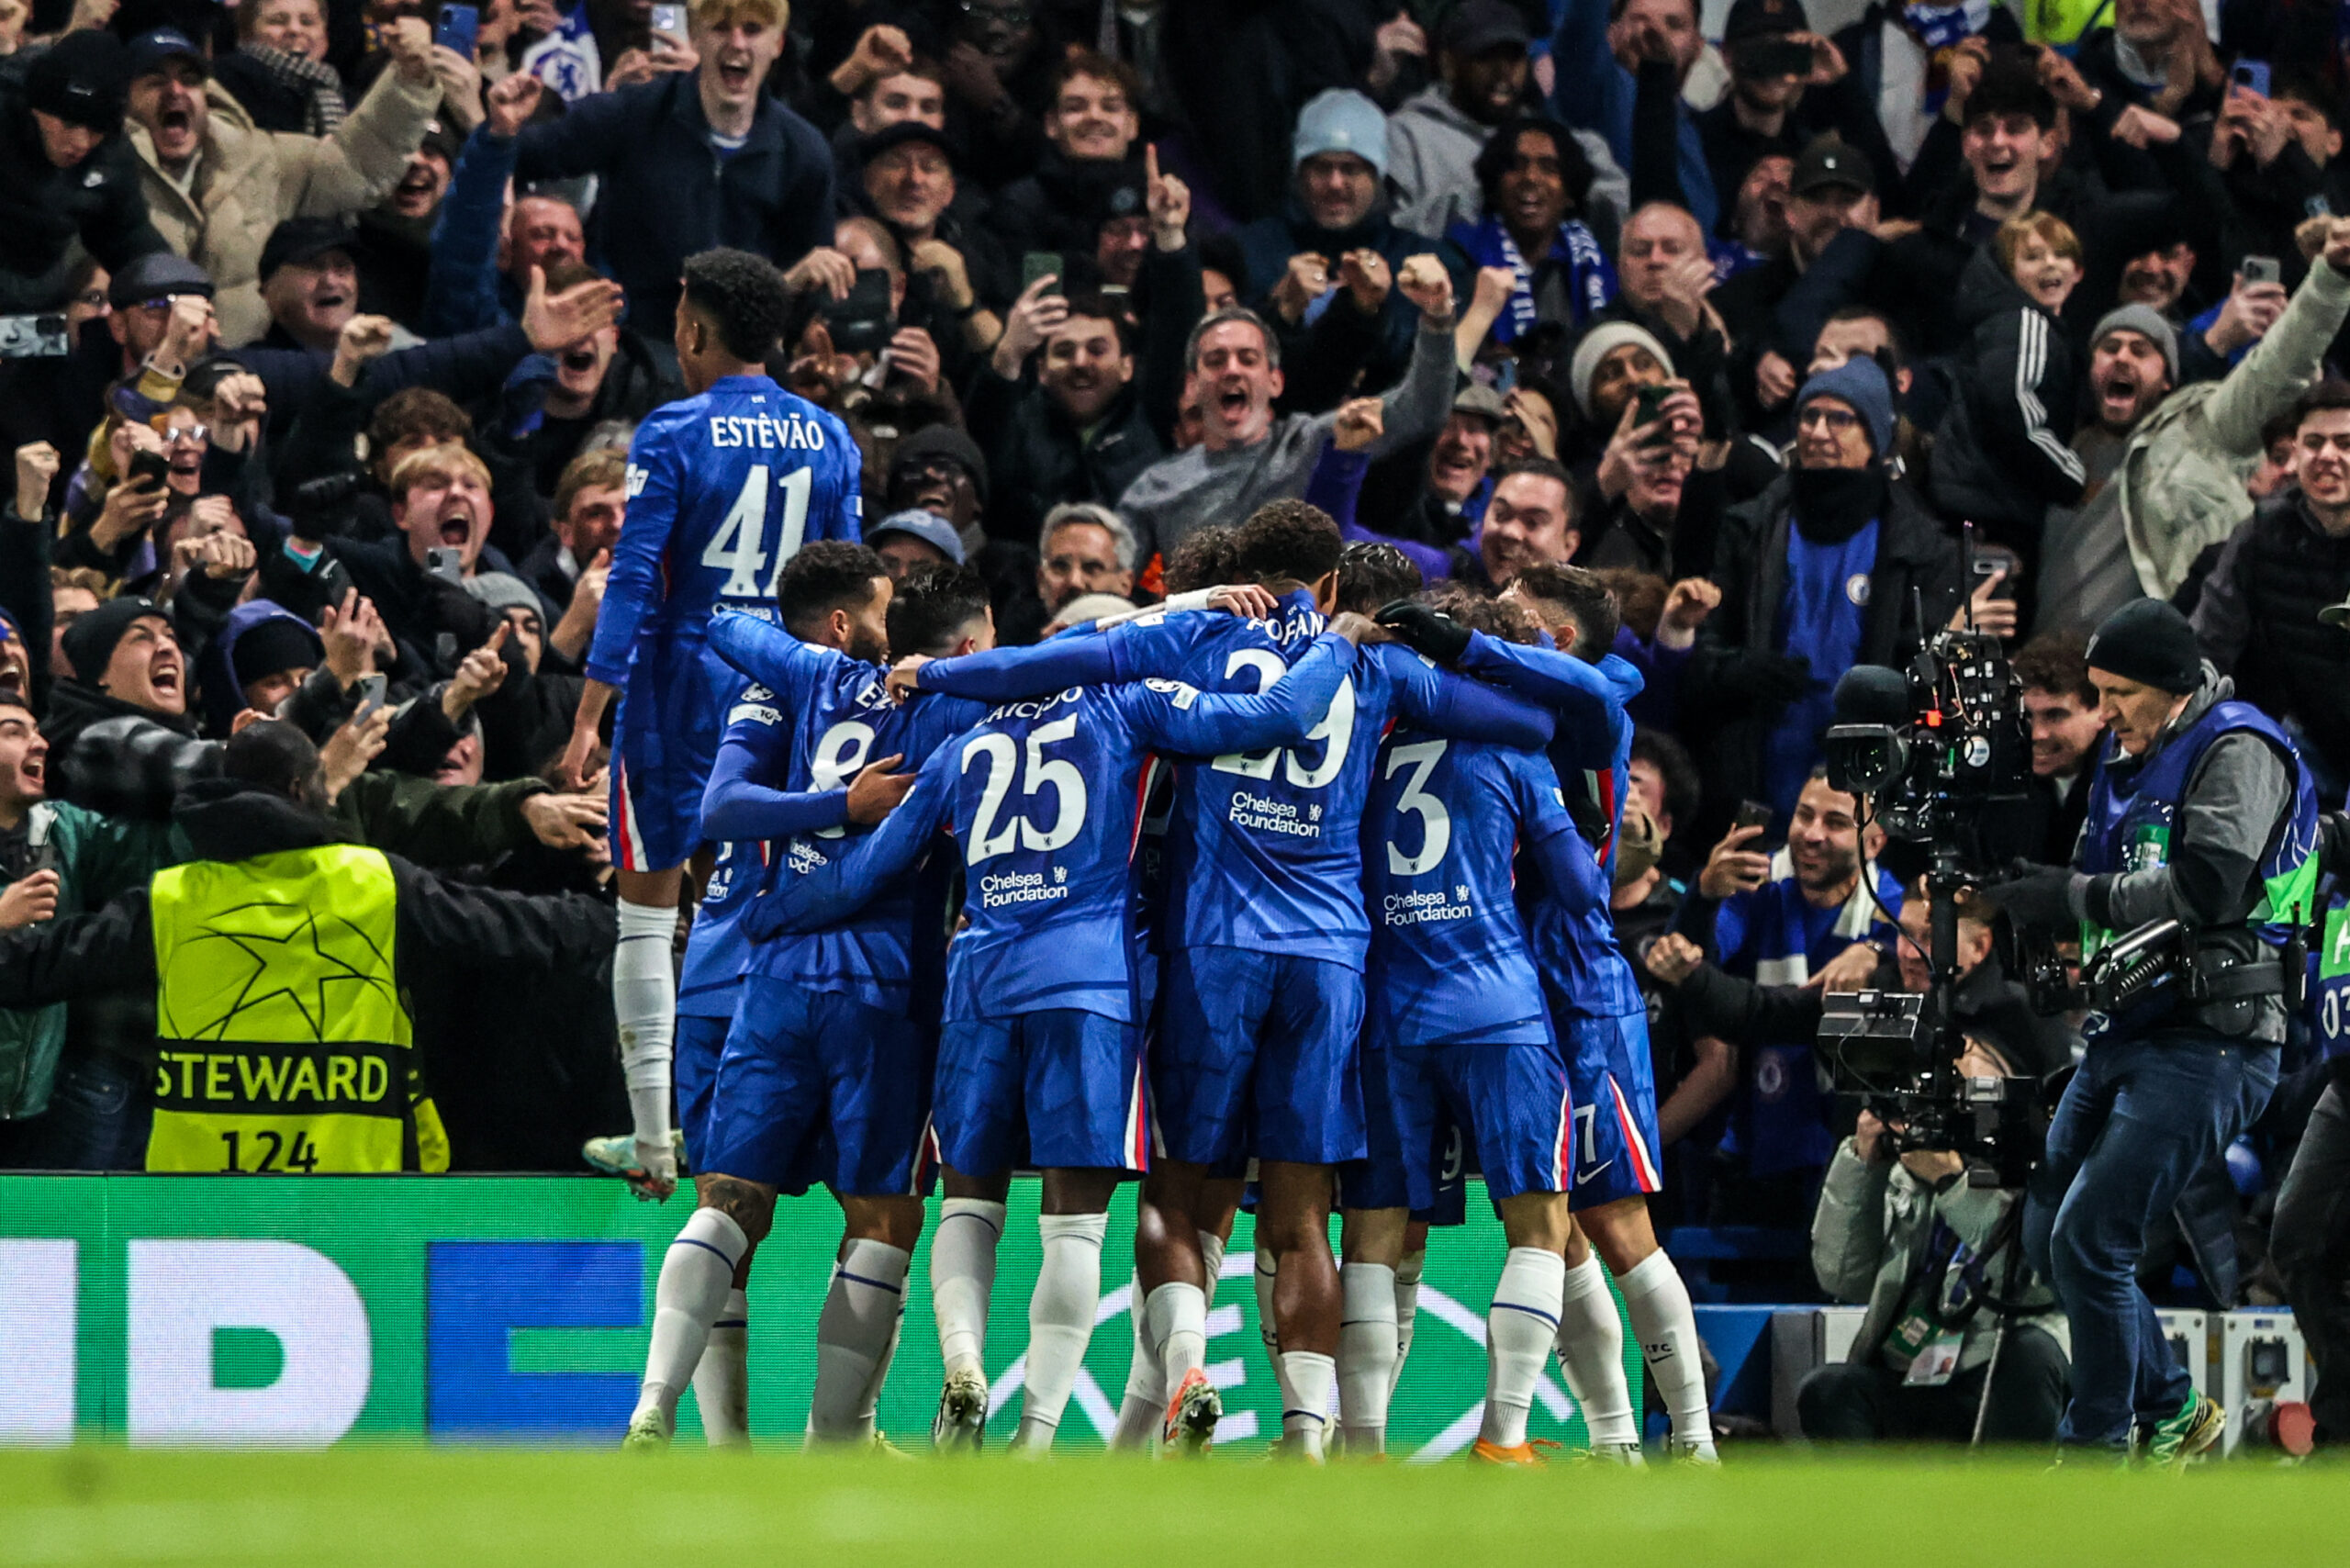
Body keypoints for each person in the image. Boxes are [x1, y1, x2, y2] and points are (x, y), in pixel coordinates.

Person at [897, 500, 1552, 1462]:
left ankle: (1184, 1380)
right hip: (1330, 957)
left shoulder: (1195, 635)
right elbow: (1528, 720)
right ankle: (1309, 1436)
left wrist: (940, 671)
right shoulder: (1372, 660)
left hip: (1212, 947)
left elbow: (1048, 664)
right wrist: (1456, 647)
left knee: (1175, 1192)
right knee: (1299, 1215)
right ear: (1329, 582)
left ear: (1243, 570)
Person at [767, 594, 1367, 1455]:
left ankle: (965, 1368)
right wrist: (1334, 637)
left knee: (968, 1202)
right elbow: (1272, 717)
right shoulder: (1130, 703)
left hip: (981, 977)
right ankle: (1038, 1432)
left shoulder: (965, 737)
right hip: (1088, 981)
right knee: (1074, 1222)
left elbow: (873, 865)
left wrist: (773, 911)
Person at [618, 552, 991, 1451]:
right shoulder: (961, 709)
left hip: (773, 983)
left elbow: (726, 624)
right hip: (882, 987)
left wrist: (777, 910)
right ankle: (839, 1436)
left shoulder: (811, 675)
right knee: (885, 1214)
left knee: (729, 1200)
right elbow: (883, 853)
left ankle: (653, 1405)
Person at [1981, 599, 2319, 1460]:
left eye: (2120, 693)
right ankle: (2170, 1404)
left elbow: (2210, 883)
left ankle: (2097, 1446)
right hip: (2130, 1024)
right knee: (2047, 1228)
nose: (2107, 713)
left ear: (2172, 688)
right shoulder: (2131, 758)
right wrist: (2054, 925)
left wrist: (2070, 895)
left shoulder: (2236, 748)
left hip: (2215, 1036)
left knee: (2091, 1238)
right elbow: (2113, 891)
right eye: (2098, 692)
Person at [557, 248, 860, 1204]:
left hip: (680, 688)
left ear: (692, 329)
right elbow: (849, 580)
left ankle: (654, 1138)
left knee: (645, 914)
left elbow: (637, 576)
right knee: (749, 905)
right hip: (788, 681)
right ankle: (754, 1126)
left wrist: (589, 709)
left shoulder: (674, 429)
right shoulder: (829, 437)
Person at [0, 720, 612, 1173]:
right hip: (357, 1194)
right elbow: (519, 930)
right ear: (303, 790)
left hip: (199, 1197)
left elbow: (30, 972)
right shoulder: (374, 882)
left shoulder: (170, 899)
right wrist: (626, 915)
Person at [1348, 586, 1594, 1462]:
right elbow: (1579, 886)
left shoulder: (1366, 742)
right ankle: (1505, 1440)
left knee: (1376, 1235)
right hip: (1496, 1009)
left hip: (1387, 1015)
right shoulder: (1513, 748)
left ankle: (1361, 1445)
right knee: (1539, 1224)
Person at [2040, 223, 2350, 640]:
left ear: (2169, 378)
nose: (2122, 358)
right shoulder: (2053, 446)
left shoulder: (2203, 428)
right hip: (2051, 666)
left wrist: (2329, 279)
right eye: (2109, 348)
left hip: (2158, 667)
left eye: (2140, 349)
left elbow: (2278, 366)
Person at [1800, 1029, 2072, 1444]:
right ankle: (1866, 1511)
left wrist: (1952, 1184)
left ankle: (2012, 1505)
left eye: (1968, 1084)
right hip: (1910, 1375)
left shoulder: (2043, 1177)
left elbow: (2031, 1283)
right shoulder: (1906, 1173)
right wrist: (1861, 1165)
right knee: (1829, 1391)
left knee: (2033, 1355)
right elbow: (1841, 1278)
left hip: (1996, 1377)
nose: (1954, 1099)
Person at [510, 0, 833, 342]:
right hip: (636, 347)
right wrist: (493, 134)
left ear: (778, 44)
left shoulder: (803, 153)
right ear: (694, 36)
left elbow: (805, 284)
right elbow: (527, 152)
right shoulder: (636, 112)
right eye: (720, 28)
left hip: (741, 352)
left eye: (752, 30)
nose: (737, 43)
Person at [122, 24, 444, 348]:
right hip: (143, 371)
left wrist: (409, 80)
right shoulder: (109, 174)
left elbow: (356, 167)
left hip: (252, 376)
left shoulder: (262, 159)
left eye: (190, 80)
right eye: (155, 82)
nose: (175, 91)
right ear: (125, 100)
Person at [1116, 272, 1457, 572]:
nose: (1232, 369)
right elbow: (1110, 572)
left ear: (1275, 381)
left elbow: (1422, 408)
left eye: (1247, 359)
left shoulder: (1313, 441)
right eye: (1216, 360)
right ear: (1192, 385)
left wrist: (1438, 318)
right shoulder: (1157, 488)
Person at [2191, 381, 2350, 792]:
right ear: (2295, 451)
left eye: (2345, 443)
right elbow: (2209, 645)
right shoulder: (2261, 534)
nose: (2328, 456)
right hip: (2308, 739)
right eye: (2314, 443)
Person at [0, 28, 169, 316]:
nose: (80, 143)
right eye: (68, 122)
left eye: (96, 129)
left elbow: (128, 236)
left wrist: (173, 287)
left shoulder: (111, 156)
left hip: (39, 309)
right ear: (37, 108)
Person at [2012, 631, 2107, 868]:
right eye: (2026, 716)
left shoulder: (2123, 782)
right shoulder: (2007, 774)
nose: (2037, 734)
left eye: (2055, 716)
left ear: (2101, 711)